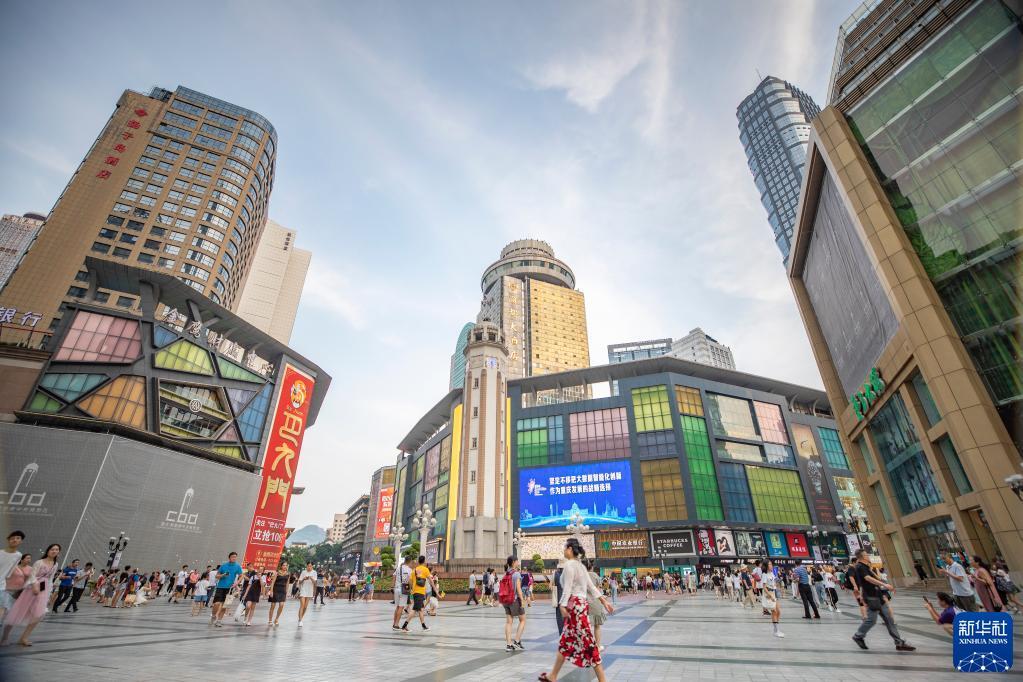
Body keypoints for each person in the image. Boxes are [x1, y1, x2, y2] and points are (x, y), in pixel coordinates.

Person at [538, 538, 614, 682]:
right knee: (565, 642)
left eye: (565, 547)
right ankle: (552, 675)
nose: (563, 550)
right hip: (580, 606)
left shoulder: (570, 566)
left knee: (589, 644)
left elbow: (567, 589)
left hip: (575, 606)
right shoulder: (580, 566)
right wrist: (604, 601)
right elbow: (592, 587)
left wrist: (562, 605)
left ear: (570, 549)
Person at [850, 549, 915, 652]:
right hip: (871, 597)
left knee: (889, 619)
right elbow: (867, 578)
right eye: (866, 555)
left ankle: (899, 642)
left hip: (878, 596)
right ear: (862, 557)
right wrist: (884, 585)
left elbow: (864, 582)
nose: (868, 556)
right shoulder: (860, 567)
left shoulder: (866, 567)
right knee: (871, 620)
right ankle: (858, 636)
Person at [1, 543, 60, 647]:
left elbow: (50, 579)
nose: (54, 551)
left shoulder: (55, 564)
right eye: (52, 549)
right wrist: (35, 585)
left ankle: (24, 638)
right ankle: (4, 638)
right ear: (48, 550)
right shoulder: (39, 562)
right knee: (17, 612)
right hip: (31, 588)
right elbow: (32, 576)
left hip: (44, 588)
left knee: (39, 614)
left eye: (56, 549)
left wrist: (49, 593)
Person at [500, 555, 527, 652]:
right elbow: (519, 589)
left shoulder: (506, 573)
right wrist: (522, 600)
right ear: (514, 562)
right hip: (514, 600)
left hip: (505, 600)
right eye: (517, 561)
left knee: (509, 622)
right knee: (523, 620)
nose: (518, 563)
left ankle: (509, 644)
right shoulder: (516, 574)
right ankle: (517, 641)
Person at [210, 552, 243, 628]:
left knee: (225, 605)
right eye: (233, 557)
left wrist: (236, 583)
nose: (234, 558)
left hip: (230, 589)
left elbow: (241, 576)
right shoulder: (224, 566)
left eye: (235, 557)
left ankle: (219, 621)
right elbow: (217, 576)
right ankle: (214, 615)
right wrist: (223, 575)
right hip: (220, 587)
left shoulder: (237, 566)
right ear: (229, 557)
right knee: (216, 603)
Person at [401, 555, 433, 632]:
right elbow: (430, 579)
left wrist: (412, 589)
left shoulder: (414, 570)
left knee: (421, 609)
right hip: (420, 592)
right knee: (414, 610)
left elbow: (409, 581)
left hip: (415, 592)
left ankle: (424, 626)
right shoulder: (425, 569)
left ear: (418, 561)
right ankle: (404, 626)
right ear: (424, 561)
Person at [0, 532, 24, 624]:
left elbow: (11, 569)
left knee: (2, 605)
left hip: (2, 584)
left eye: (18, 538)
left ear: (21, 541)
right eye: (12, 538)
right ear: (8, 540)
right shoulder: (1, 553)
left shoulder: (18, 555)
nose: (15, 540)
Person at [586, 562, 607, 653]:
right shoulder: (595, 576)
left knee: (586, 627)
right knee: (597, 626)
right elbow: (598, 590)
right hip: (595, 603)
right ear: (592, 567)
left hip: (585, 603)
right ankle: (598, 646)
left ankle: (587, 647)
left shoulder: (581, 576)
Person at [760, 560, 784, 638]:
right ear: (766, 566)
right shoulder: (764, 574)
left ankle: (775, 629)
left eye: (771, 564)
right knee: (774, 611)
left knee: (778, 611)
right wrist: (770, 595)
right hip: (769, 594)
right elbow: (764, 587)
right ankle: (776, 631)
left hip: (774, 592)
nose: (771, 565)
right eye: (769, 564)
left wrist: (778, 582)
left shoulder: (772, 573)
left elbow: (774, 583)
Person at [392, 556, 413, 631]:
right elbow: (410, 581)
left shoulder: (399, 568)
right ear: (410, 561)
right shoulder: (410, 570)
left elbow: (394, 576)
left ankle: (394, 624)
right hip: (404, 590)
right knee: (401, 607)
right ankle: (396, 625)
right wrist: (411, 588)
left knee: (397, 607)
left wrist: (392, 586)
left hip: (396, 588)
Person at [267, 561, 290, 626]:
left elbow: (287, 583)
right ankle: (270, 620)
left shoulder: (288, 574)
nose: (285, 567)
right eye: (284, 565)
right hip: (275, 589)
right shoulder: (277, 573)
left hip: (282, 591)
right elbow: (273, 582)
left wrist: (286, 592)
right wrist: (271, 591)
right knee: (273, 605)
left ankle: (276, 619)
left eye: (286, 565)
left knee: (281, 605)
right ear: (281, 566)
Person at [297, 562, 317, 628]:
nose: (309, 567)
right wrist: (304, 579)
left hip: (309, 591)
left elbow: (315, 583)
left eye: (310, 566)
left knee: (305, 607)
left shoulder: (314, 572)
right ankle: (300, 620)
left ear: (312, 566)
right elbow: (299, 582)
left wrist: (311, 578)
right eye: (308, 566)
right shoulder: (303, 572)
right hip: (303, 590)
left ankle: (300, 618)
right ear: (306, 566)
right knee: (302, 605)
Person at [553, 561, 566, 634]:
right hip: (566, 596)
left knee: (559, 615)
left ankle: (561, 632)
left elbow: (552, 585)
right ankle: (566, 632)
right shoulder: (567, 574)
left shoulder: (555, 574)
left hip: (558, 596)